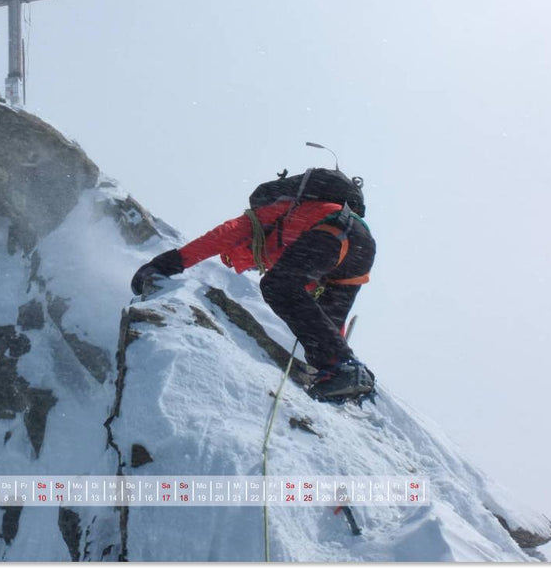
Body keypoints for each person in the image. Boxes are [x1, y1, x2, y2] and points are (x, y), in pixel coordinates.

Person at [131, 167, 377, 402]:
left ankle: (343, 367)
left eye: (232, 259)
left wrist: (165, 264)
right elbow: (325, 317)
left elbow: (216, 238)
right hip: (361, 247)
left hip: (333, 229)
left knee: (276, 285)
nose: (241, 266)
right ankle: (342, 373)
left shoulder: (258, 221)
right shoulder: (289, 240)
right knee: (314, 319)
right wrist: (337, 343)